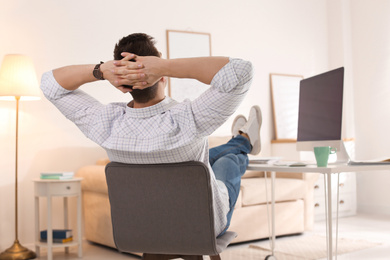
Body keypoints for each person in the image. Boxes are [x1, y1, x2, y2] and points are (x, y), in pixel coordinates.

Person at [40, 33, 261, 237]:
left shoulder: (104, 123)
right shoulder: (190, 117)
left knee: (204, 158)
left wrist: (101, 70)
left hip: (141, 230)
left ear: (123, 86)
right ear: (162, 77)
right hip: (201, 227)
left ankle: (240, 139)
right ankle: (243, 142)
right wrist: (165, 66)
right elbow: (241, 72)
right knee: (229, 160)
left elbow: (49, 84)